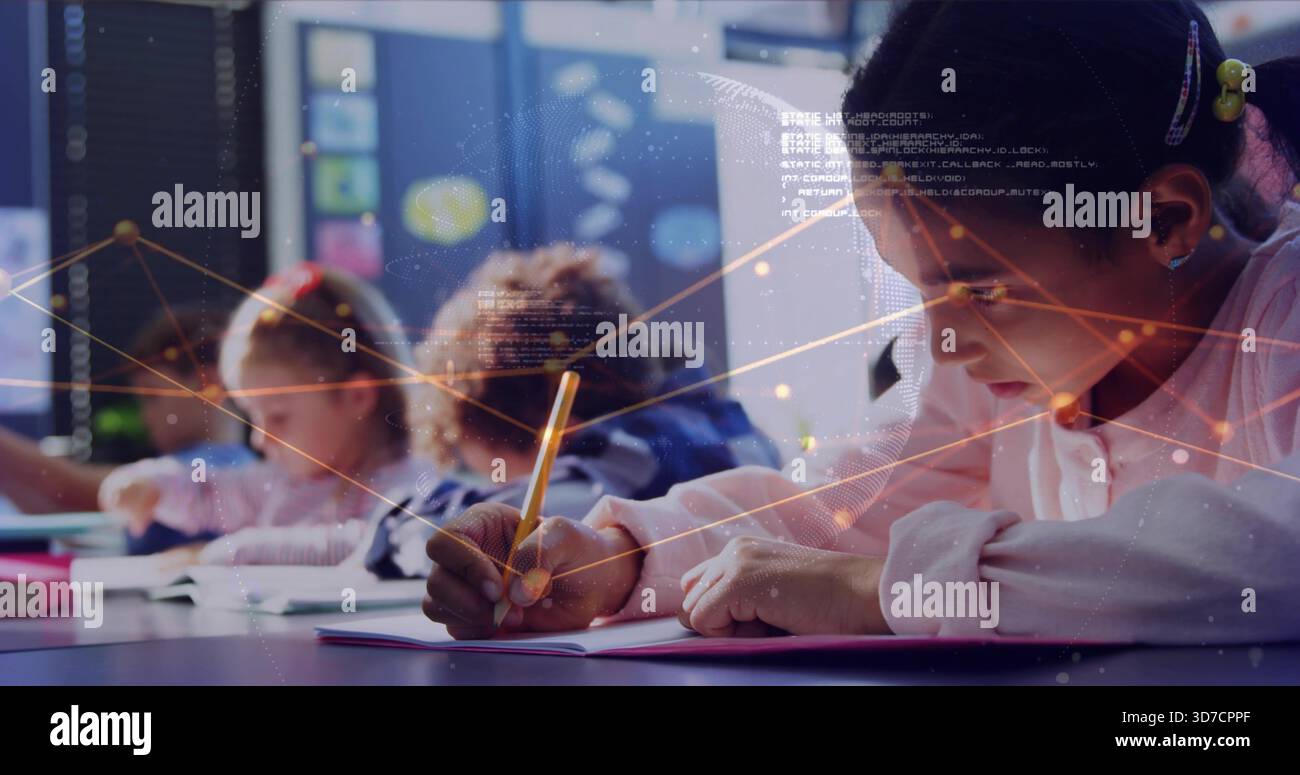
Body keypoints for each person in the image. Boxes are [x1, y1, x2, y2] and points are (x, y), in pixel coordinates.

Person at [422, 0, 1300, 644]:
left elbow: (1271, 548)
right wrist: (614, 558)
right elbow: (832, 505)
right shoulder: (973, 365)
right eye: (917, 290)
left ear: (1162, 221)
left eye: (982, 289)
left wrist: (893, 589)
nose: (942, 339)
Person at [99, 264, 425, 564]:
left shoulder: (410, 487)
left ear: (357, 398)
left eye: (279, 416)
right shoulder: (281, 480)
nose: (260, 438)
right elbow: (207, 491)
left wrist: (227, 553)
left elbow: (366, 543)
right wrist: (150, 482)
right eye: (254, 416)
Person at [0, 307, 253, 553]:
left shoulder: (227, 472)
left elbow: (68, 494)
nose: (145, 417)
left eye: (152, 397)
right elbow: (53, 503)